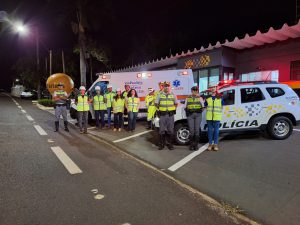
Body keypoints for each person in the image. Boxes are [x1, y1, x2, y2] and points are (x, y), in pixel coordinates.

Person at [155, 81, 178, 150]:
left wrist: (173, 109)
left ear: (169, 87)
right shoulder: (159, 95)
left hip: (170, 115)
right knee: (161, 130)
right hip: (162, 115)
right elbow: (156, 104)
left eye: (168, 86)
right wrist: (159, 110)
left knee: (170, 130)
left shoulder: (173, 94)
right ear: (163, 87)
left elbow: (176, 104)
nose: (166, 87)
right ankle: (161, 144)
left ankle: (170, 144)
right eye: (165, 86)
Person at [204, 85, 224, 151]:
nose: (213, 88)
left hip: (217, 116)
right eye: (212, 87)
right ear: (210, 89)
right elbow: (205, 106)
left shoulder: (220, 97)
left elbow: (222, 106)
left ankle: (215, 145)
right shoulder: (207, 97)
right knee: (210, 131)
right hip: (209, 117)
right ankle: (210, 144)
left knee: (216, 131)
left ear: (216, 88)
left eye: (214, 87)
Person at [185, 86, 204, 150]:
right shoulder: (187, 98)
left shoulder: (200, 98)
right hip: (190, 115)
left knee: (197, 130)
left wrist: (199, 110)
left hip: (198, 115)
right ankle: (191, 145)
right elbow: (185, 107)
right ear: (191, 91)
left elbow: (203, 107)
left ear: (197, 91)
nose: (195, 91)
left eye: (196, 90)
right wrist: (187, 111)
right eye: (193, 90)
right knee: (191, 130)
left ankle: (196, 145)